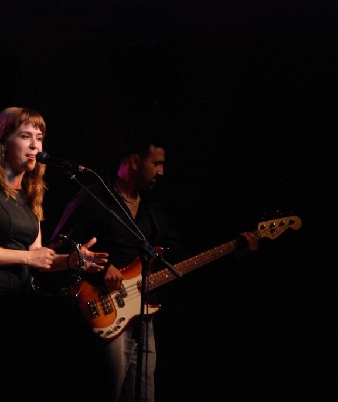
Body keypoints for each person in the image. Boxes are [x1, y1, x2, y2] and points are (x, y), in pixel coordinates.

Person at [47, 131, 260, 402]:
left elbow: (181, 258)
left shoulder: (152, 210)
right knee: (107, 389)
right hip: (102, 309)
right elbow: (58, 247)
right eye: (157, 163)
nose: (162, 171)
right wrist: (101, 267)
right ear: (135, 161)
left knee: (144, 394)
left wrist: (234, 249)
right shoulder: (93, 197)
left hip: (143, 313)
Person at [0, 106, 108, 401]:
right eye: (25, 136)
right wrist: (26, 258)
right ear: (3, 142)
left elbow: (37, 255)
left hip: (17, 306)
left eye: (39, 137)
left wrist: (72, 261)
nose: (35, 145)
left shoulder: (28, 196)